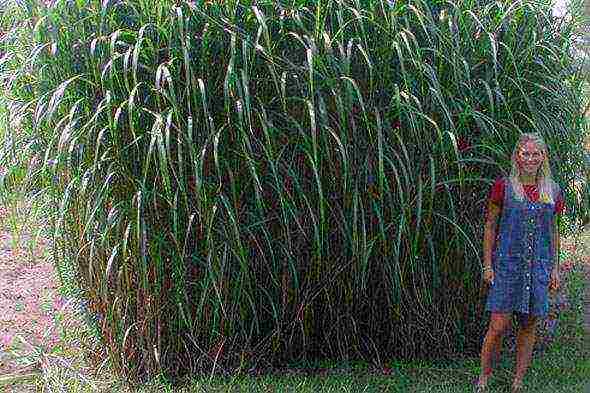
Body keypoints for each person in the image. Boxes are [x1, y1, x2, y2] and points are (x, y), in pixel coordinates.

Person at [474, 133, 565, 392]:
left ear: (543, 157)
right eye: (525, 153)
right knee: (498, 326)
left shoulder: (553, 191)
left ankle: (518, 381)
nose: (530, 158)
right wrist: (488, 264)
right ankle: (483, 378)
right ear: (517, 156)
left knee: (528, 325)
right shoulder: (503, 187)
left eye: (536, 153)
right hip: (507, 267)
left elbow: (554, 231)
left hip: (538, 268)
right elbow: (491, 226)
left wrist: (555, 268)